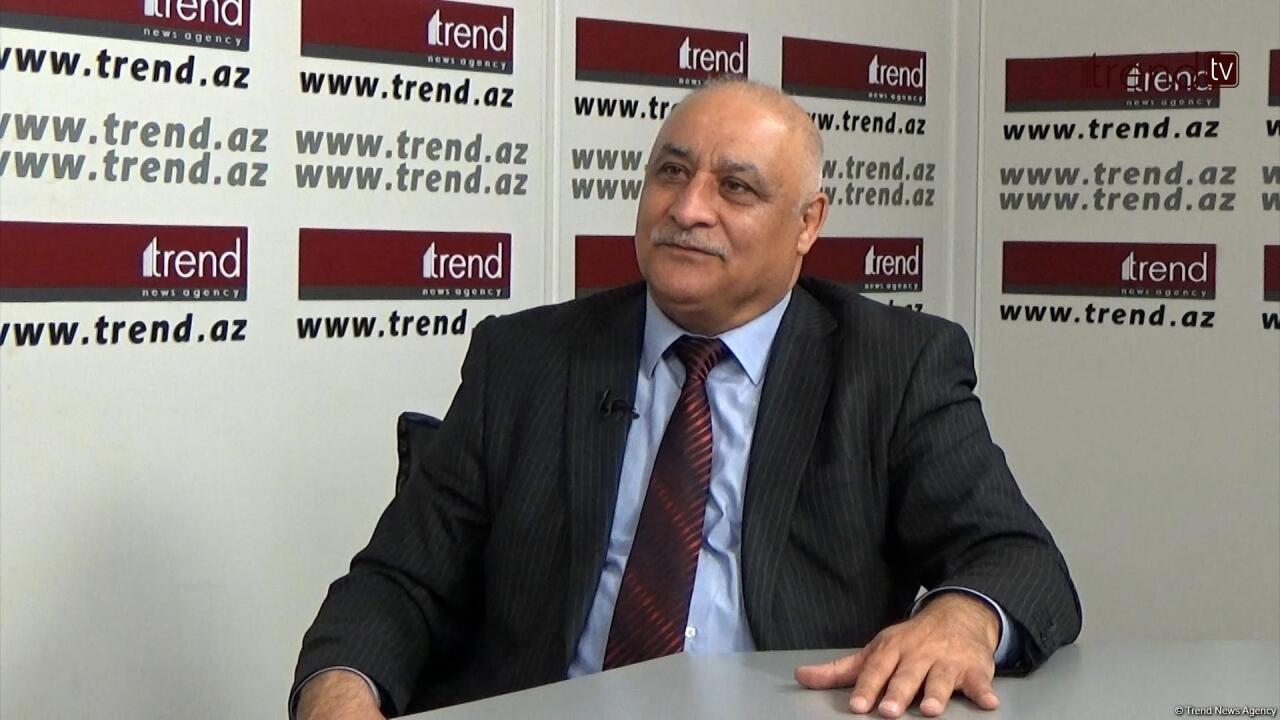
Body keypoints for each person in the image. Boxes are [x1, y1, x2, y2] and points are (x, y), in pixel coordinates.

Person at [292, 78, 1081, 719]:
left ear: (807, 224)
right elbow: (398, 583)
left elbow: (1020, 560)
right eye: (671, 172)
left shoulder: (893, 366)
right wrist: (341, 692)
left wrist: (961, 617)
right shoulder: (525, 361)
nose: (687, 208)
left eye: (735, 186)